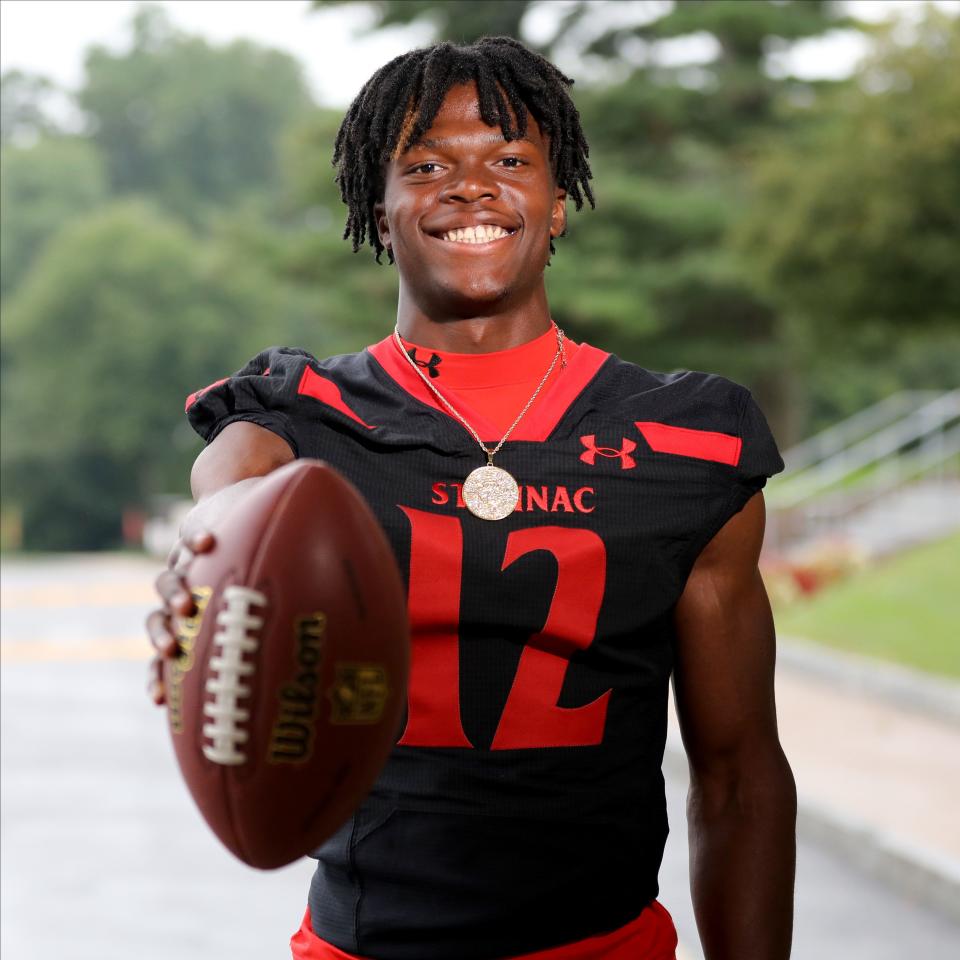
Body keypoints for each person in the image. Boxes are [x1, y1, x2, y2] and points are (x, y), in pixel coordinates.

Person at [147, 36, 797, 960]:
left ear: (557, 202)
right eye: (425, 165)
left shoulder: (688, 439)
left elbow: (738, 775)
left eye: (510, 160)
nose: (470, 185)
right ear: (379, 207)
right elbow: (230, 486)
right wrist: (206, 557)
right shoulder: (304, 414)